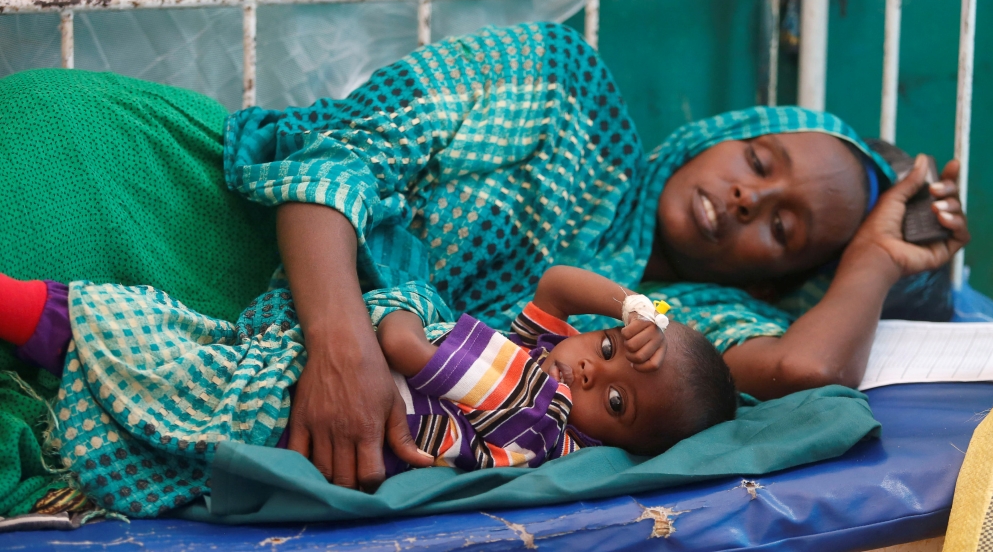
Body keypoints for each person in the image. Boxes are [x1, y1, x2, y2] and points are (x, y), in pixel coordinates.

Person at [222, 21, 968, 491]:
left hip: (235, 349)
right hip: (209, 207)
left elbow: (811, 370)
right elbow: (331, 160)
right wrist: (341, 344)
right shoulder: (556, 88)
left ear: (782, 277)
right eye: (759, 159)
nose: (748, 198)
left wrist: (875, 256)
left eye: (783, 229)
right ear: (727, 130)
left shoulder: (691, 332)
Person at [0, 264, 735, 517]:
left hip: (303, 417)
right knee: (172, 346)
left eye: (616, 402)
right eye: (605, 349)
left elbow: (401, 346)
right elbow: (554, 286)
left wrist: (407, 313)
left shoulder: (541, 419)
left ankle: (28, 309)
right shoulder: (546, 353)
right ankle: (40, 321)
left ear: (617, 443)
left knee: (152, 346)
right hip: (309, 391)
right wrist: (638, 308)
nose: (592, 372)